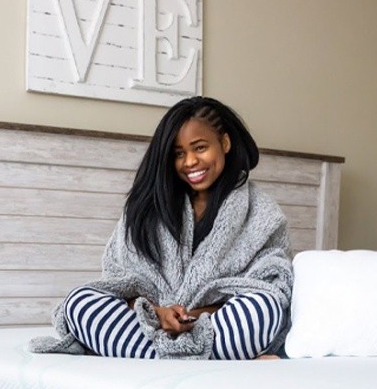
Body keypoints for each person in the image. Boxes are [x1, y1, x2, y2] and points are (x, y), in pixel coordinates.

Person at [29, 96, 293, 360]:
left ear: (224, 143)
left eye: (200, 148)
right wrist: (158, 313)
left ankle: (156, 359)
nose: (190, 162)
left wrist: (190, 317)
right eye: (179, 154)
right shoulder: (146, 209)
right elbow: (120, 283)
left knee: (265, 308)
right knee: (79, 303)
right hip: (149, 326)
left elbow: (272, 283)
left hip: (216, 326)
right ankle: (185, 358)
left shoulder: (262, 213)